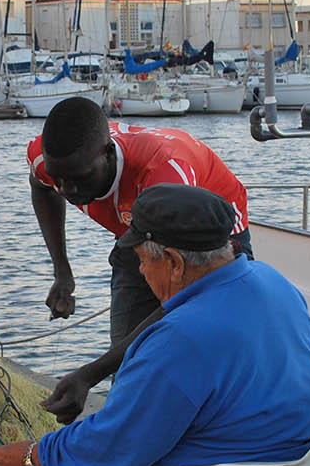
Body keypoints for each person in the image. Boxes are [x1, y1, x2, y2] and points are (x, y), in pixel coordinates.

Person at [0, 184, 310, 466]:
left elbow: (111, 448)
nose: (141, 273)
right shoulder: (270, 282)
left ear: (172, 261)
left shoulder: (185, 336)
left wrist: (33, 456)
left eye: (142, 261)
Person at [26, 97, 250, 425]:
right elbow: (41, 187)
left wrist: (89, 374)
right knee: (131, 363)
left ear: (107, 153)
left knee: (203, 341)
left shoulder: (163, 175)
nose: (67, 190)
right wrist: (63, 273)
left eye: (79, 179)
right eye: (58, 179)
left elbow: (179, 297)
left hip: (208, 241)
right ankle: (128, 432)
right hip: (137, 234)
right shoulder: (51, 162)